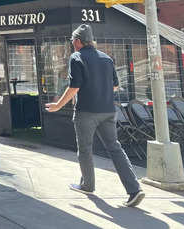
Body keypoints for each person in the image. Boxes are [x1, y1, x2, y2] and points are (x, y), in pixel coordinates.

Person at [45, 24, 145, 207]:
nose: (72, 44)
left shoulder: (76, 57)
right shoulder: (107, 59)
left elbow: (74, 87)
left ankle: (87, 185)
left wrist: (58, 105)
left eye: (72, 41)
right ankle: (134, 189)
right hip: (108, 110)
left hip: (86, 112)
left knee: (85, 149)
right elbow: (115, 85)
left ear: (77, 41)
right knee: (115, 148)